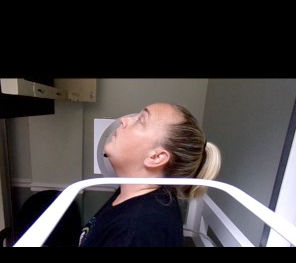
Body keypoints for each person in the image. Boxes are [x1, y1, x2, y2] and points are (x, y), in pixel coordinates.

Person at [78, 103, 222, 247]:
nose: (123, 120)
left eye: (140, 120)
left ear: (156, 157)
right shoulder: (134, 194)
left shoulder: (137, 230)